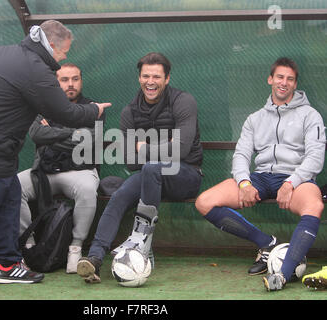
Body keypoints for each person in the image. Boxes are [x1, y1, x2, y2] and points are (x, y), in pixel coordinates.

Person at [0, 20, 111, 289]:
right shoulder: (36, 70)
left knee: (9, 201)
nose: (64, 58)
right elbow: (65, 113)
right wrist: (94, 110)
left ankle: (7, 264)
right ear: (51, 45)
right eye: (64, 51)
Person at [195, 57, 325, 291]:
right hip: (261, 177)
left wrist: (290, 183)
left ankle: (283, 275)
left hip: (296, 178)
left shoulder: (310, 115)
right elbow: (241, 155)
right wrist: (244, 183)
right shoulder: (255, 118)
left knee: (314, 206)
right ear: (270, 80)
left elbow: (315, 158)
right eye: (280, 77)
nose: (284, 83)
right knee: (205, 202)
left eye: (290, 79)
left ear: (295, 84)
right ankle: (266, 243)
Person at [77, 52, 203, 284]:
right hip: (150, 176)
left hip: (185, 175)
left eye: (156, 76)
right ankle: (94, 258)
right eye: (146, 76)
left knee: (151, 167)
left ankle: (143, 244)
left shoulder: (183, 101)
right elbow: (130, 161)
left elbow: (182, 151)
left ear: (166, 79)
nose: (150, 81)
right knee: (121, 194)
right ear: (139, 78)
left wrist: (143, 146)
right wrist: (158, 149)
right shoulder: (130, 112)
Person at [18, 63, 103, 273]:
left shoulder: (93, 107)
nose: (70, 84)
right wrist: (71, 133)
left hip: (80, 171)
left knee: (87, 190)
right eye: (64, 80)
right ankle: (28, 247)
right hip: (45, 172)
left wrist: (52, 133)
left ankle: (75, 249)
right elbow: (36, 134)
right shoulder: (42, 105)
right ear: (56, 83)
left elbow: (90, 140)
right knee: (13, 185)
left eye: (75, 79)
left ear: (81, 81)